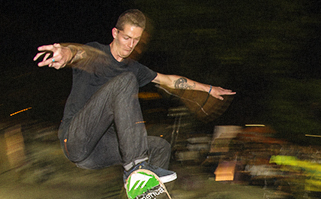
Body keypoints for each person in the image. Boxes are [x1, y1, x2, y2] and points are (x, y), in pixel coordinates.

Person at [34, 9, 235, 184]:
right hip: (75, 139)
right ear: (115, 33)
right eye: (126, 38)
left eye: (136, 40)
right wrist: (65, 53)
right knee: (126, 80)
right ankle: (136, 169)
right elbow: (78, 53)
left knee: (160, 147)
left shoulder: (135, 68)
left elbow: (169, 80)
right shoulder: (97, 53)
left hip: (99, 151)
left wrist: (208, 89)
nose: (131, 45)